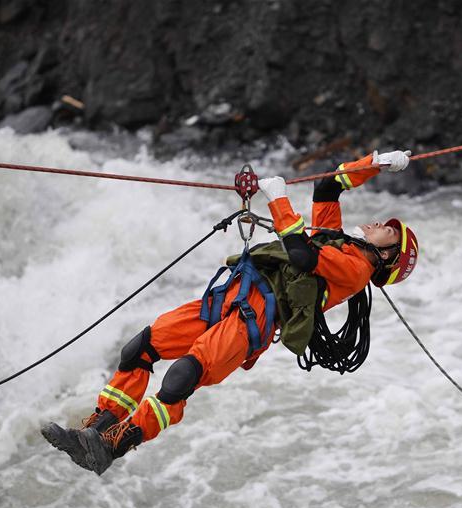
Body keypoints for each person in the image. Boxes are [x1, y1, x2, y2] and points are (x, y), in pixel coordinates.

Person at [41, 149, 420, 475]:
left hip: (256, 318)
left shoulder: (356, 269)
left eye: (388, 231)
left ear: (387, 256)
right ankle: (95, 430)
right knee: (140, 348)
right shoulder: (339, 240)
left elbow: (302, 256)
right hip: (233, 295)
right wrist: (376, 163)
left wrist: (278, 200)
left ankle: (111, 446)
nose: (379, 224)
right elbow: (328, 187)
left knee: (183, 376)